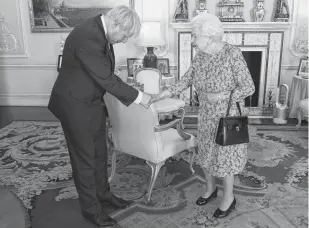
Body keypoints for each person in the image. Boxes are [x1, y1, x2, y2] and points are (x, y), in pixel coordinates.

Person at [48, 6, 152, 227]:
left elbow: (104, 73)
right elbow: (106, 78)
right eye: (124, 34)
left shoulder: (100, 31)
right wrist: (142, 97)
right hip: (74, 105)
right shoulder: (87, 35)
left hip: (92, 102)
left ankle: (104, 196)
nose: (124, 40)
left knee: (100, 154)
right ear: (115, 24)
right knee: (85, 159)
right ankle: (91, 210)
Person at [151, 13, 255, 218]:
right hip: (206, 113)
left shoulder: (232, 53)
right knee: (206, 152)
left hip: (228, 114)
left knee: (225, 157)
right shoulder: (200, 56)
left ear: (209, 36)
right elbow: (187, 79)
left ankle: (229, 197)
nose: (192, 39)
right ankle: (210, 189)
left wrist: (225, 95)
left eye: (195, 35)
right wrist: (165, 93)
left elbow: (248, 86)